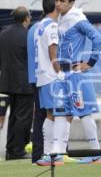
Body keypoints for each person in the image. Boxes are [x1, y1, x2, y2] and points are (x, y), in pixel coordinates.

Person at [53, 0, 101, 164]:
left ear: (71, 3)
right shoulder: (61, 18)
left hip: (75, 75)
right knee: (62, 113)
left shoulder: (78, 19)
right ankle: (58, 154)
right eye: (57, 0)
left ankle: (97, 154)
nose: (58, 4)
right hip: (63, 74)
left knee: (84, 113)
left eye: (62, 1)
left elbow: (98, 39)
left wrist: (89, 63)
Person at [33, 0, 64, 166]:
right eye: (58, 2)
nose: (60, 5)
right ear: (55, 7)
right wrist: (60, 73)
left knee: (50, 115)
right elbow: (53, 51)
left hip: (42, 76)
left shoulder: (39, 25)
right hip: (52, 76)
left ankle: (48, 154)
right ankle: (53, 153)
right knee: (58, 114)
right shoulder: (52, 25)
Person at [0, 6, 34, 160]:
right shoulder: (28, 35)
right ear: (27, 18)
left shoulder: (3, 33)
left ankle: (10, 149)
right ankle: (18, 150)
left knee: (13, 116)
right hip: (24, 83)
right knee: (22, 118)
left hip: (7, 81)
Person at [27, 15, 45, 163]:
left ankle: (37, 155)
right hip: (45, 77)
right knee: (55, 115)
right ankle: (57, 152)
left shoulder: (32, 28)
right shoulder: (48, 27)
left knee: (39, 117)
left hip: (34, 77)